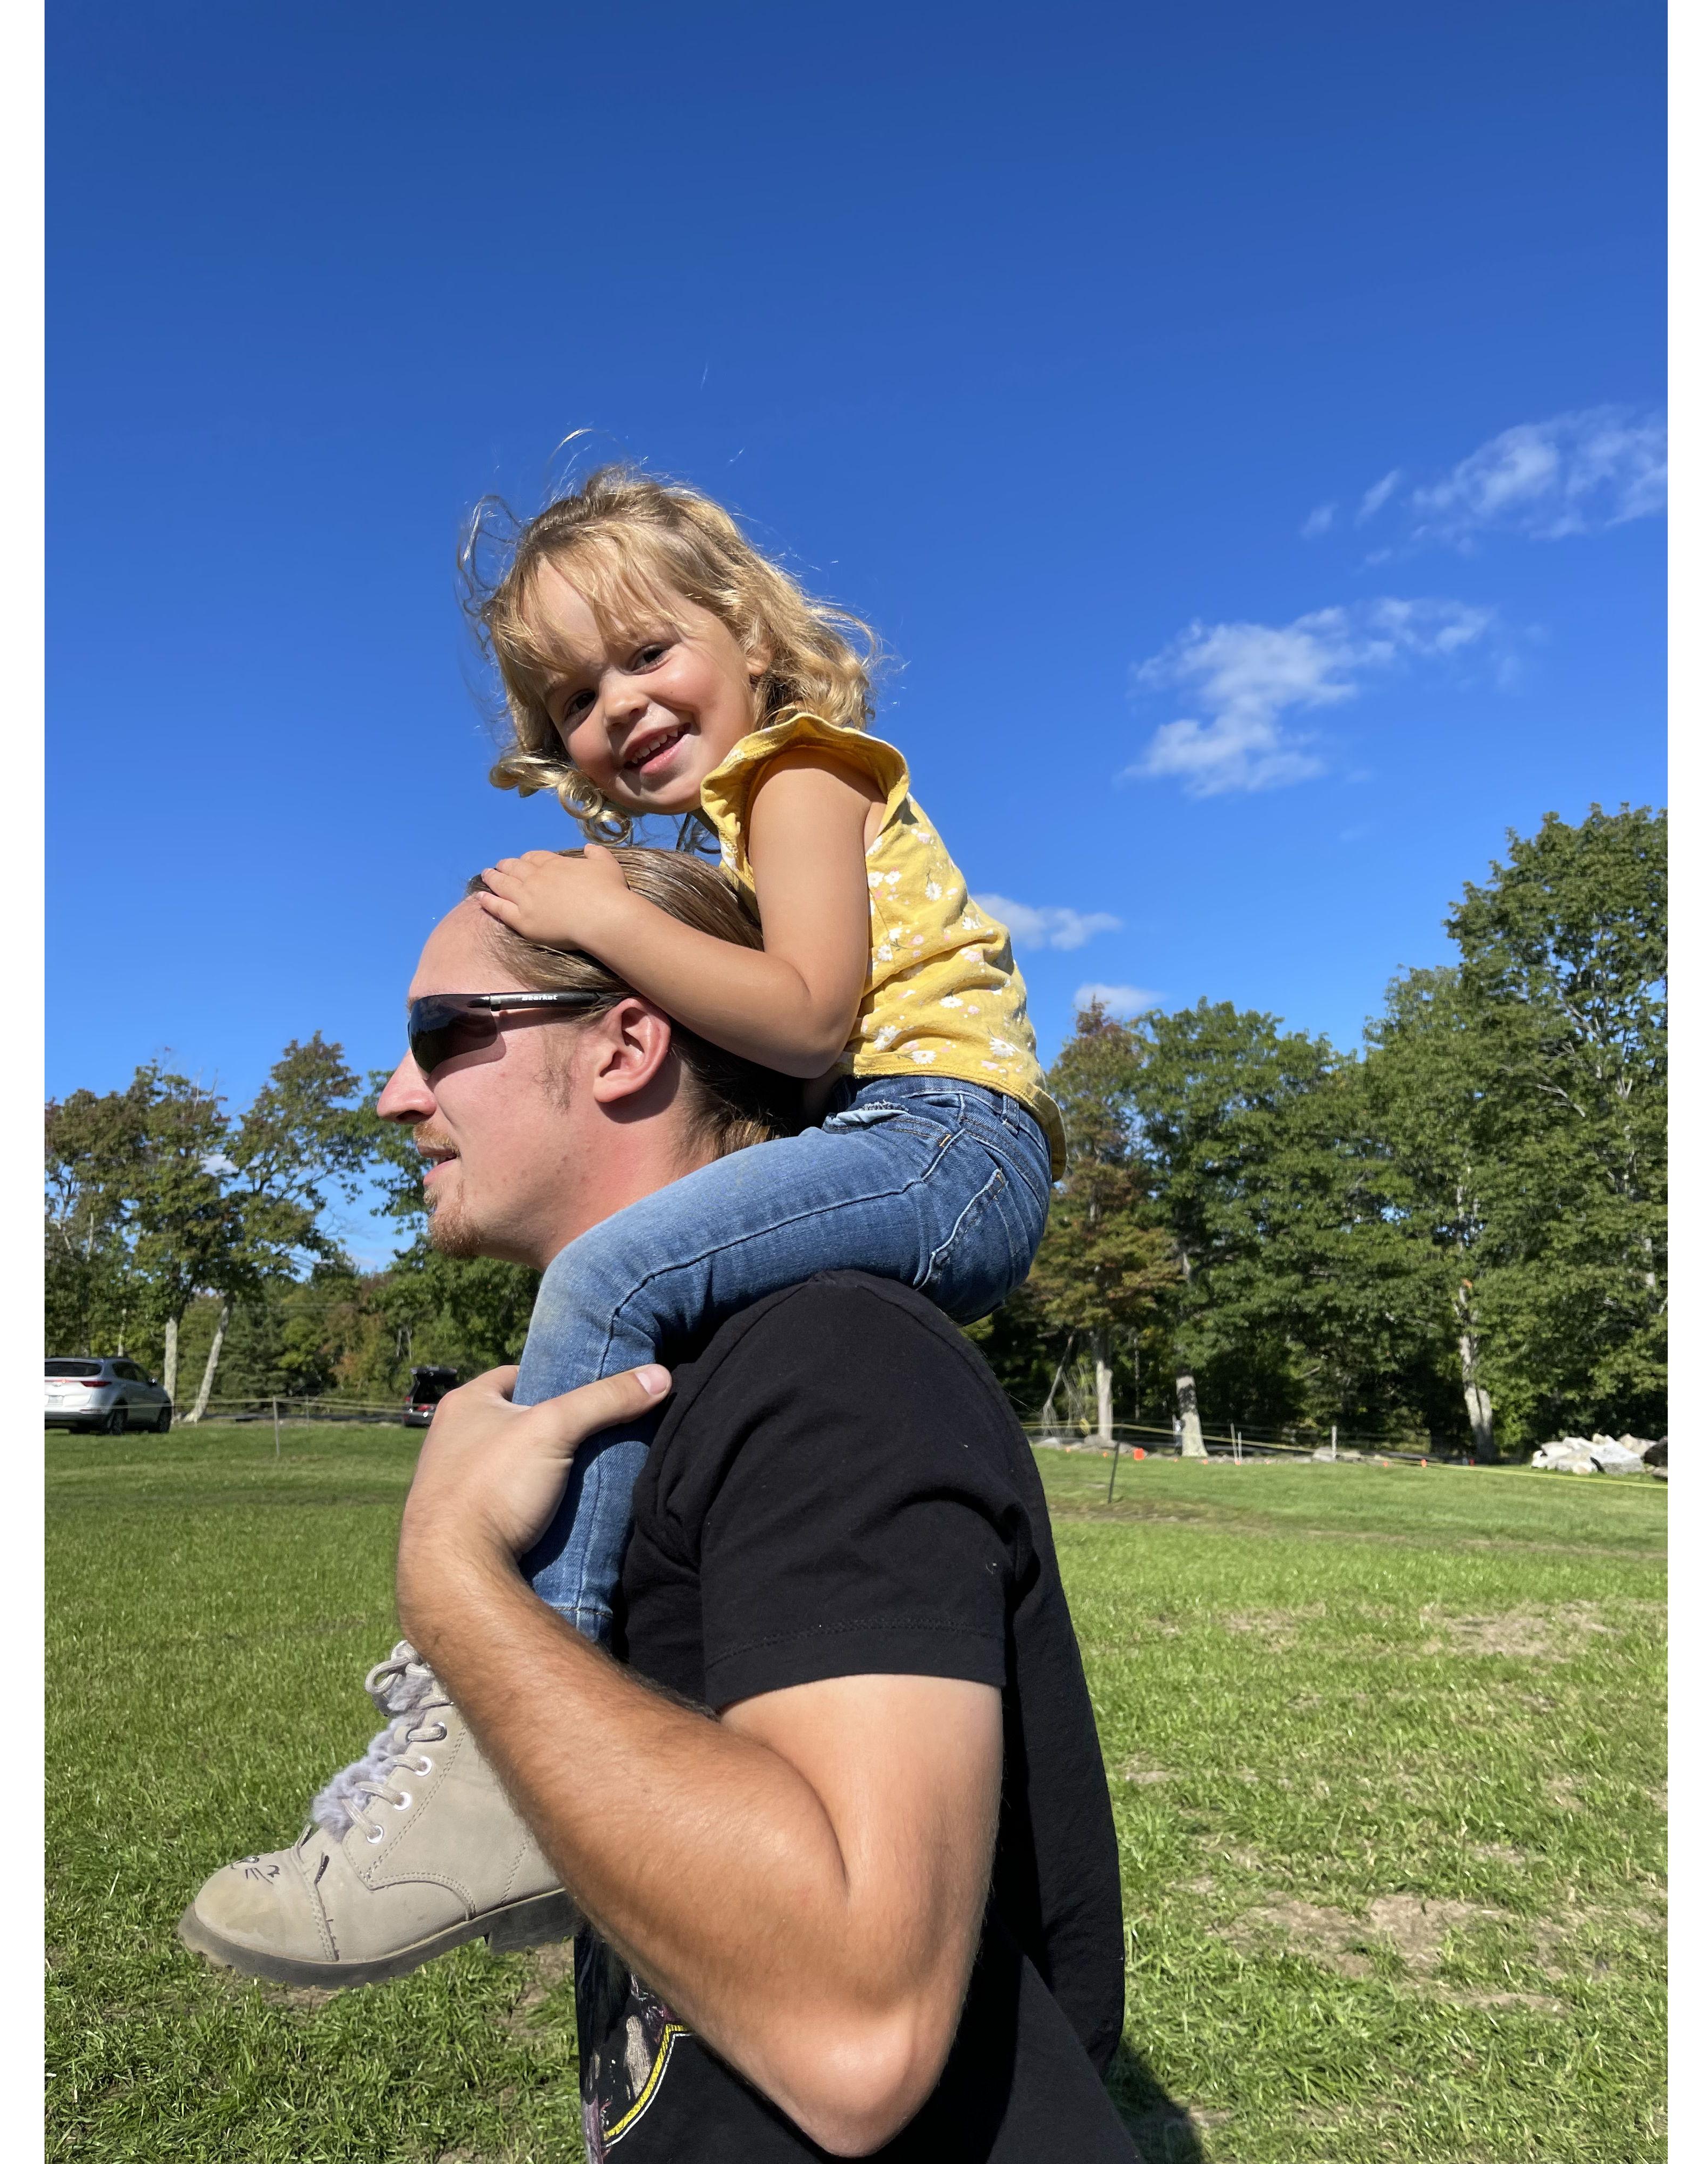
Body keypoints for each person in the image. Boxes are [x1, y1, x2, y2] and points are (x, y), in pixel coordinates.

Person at [183, 467, 1067, 1979]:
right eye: (577, 696)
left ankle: (509, 1734)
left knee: (611, 1269)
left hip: (946, 1139)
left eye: (648, 653)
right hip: (907, 1137)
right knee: (657, 1308)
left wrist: (599, 918)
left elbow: (803, 1017)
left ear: (751, 634)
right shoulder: (741, 819)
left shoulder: (798, 776)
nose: (622, 708)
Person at [203, 858, 1136, 2156]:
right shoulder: (668, 1387)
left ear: (627, 1045)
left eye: (439, 1036)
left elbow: (857, 2036)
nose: (394, 1093)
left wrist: (455, 1576)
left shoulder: (830, 1363)